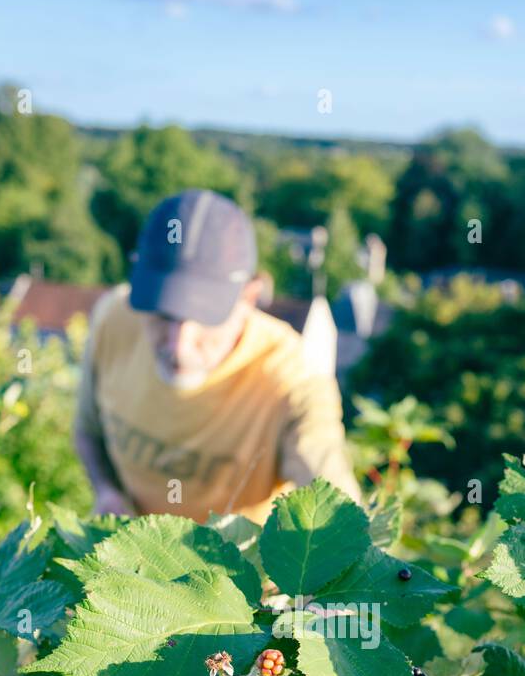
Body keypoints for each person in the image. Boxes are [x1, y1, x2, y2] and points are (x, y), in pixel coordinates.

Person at [74, 188, 361, 523]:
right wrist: (106, 491)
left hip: (239, 573)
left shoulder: (293, 377)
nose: (178, 345)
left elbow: (332, 493)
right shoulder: (114, 320)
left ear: (250, 297)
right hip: (133, 563)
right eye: (163, 315)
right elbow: (88, 432)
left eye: (205, 319)